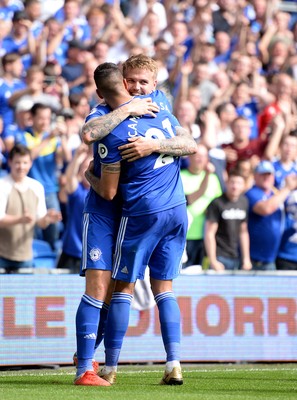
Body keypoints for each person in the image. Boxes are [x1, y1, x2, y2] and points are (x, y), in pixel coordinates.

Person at [74, 56, 197, 387]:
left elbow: (109, 189)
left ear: (154, 85)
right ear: (122, 82)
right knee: (121, 290)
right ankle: (168, 363)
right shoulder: (109, 117)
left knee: (120, 289)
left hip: (138, 211)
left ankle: (107, 366)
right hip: (161, 209)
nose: (139, 88)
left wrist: (89, 174)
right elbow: (89, 133)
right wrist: (128, 111)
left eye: (145, 82)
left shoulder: (154, 109)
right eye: (133, 81)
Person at [0, 144, 61, 273]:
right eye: (17, 162)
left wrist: (48, 218)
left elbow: (40, 222)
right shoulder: (2, 185)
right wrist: (20, 219)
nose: (21, 167)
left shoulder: (36, 187)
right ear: (10, 162)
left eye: (25, 162)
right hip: (2, 254)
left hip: (25, 255)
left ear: (30, 163)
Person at [245, 160, 297, 271]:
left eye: (269, 174)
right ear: (255, 176)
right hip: (253, 259)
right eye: (262, 174)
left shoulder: (276, 194)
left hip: (271, 258)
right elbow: (266, 209)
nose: (266, 178)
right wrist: (287, 188)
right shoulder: (252, 193)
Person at [180, 142, 222, 268]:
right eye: (196, 155)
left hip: (207, 238)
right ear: (189, 157)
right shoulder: (180, 176)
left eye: (203, 156)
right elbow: (189, 200)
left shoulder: (214, 179)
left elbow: (219, 205)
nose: (200, 159)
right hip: (185, 236)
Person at [204, 168, 252, 271]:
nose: (235, 186)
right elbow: (209, 233)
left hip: (235, 256)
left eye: (239, 183)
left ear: (244, 185)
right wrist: (213, 260)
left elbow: (243, 232)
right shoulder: (217, 203)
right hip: (219, 256)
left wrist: (246, 258)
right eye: (232, 182)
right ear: (226, 183)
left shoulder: (244, 202)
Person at [56, 143, 92, 273]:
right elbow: (69, 178)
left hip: (92, 255)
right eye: (83, 168)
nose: (87, 171)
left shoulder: (103, 194)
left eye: (90, 167)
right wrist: (76, 157)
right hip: (71, 252)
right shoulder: (78, 192)